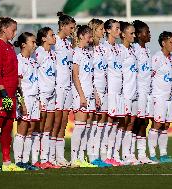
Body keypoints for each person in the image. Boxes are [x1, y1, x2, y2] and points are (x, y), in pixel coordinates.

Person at [0, 17, 25, 171]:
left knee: (8, 126)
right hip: (4, 94)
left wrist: (18, 94)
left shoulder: (9, 46)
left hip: (12, 93)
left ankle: (7, 162)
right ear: (4, 29)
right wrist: (2, 92)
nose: (14, 33)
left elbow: (14, 73)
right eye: (13, 30)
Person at [148, 31, 172, 163]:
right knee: (157, 124)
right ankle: (153, 154)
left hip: (169, 97)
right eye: (171, 42)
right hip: (158, 96)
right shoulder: (156, 58)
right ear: (163, 43)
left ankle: (164, 154)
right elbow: (149, 76)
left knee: (166, 125)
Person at [70, 25, 98, 168]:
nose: (91, 39)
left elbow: (91, 76)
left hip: (90, 94)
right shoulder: (76, 52)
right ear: (81, 36)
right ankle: (74, 159)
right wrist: (81, 95)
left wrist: (95, 94)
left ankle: (82, 157)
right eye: (89, 36)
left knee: (87, 127)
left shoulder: (88, 53)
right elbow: (75, 75)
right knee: (80, 126)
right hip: (80, 94)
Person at [12, 32, 40, 170]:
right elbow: (17, 85)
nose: (35, 45)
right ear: (24, 44)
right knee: (22, 129)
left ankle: (26, 160)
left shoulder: (33, 61)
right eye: (33, 42)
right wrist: (22, 102)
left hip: (35, 98)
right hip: (26, 98)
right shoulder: (18, 60)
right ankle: (18, 161)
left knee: (30, 130)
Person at [52, 12, 76, 167]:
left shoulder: (68, 43)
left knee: (63, 122)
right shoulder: (54, 41)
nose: (73, 31)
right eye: (71, 28)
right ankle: (50, 156)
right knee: (55, 121)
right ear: (63, 26)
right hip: (57, 87)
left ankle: (60, 157)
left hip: (68, 86)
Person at [34, 27, 60, 169]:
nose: (54, 37)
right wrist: (37, 96)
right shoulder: (38, 53)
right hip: (42, 94)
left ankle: (45, 159)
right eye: (51, 35)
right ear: (44, 38)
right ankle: (34, 159)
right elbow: (34, 73)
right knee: (39, 127)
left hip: (52, 94)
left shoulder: (53, 54)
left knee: (48, 127)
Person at [87, 18, 111, 167]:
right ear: (94, 30)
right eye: (101, 29)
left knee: (103, 123)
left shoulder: (103, 47)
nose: (103, 31)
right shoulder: (89, 49)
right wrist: (94, 91)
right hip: (94, 90)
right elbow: (89, 73)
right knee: (93, 123)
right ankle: (92, 155)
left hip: (105, 89)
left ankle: (102, 156)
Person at [132, 20, 157, 164]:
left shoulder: (147, 50)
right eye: (146, 32)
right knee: (137, 122)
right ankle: (130, 153)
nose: (149, 34)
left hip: (147, 91)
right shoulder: (134, 49)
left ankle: (142, 155)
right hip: (138, 91)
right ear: (139, 35)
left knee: (145, 122)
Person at [102, 19, 124, 166]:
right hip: (109, 91)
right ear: (108, 30)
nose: (118, 31)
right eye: (116, 28)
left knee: (116, 122)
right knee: (108, 122)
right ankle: (104, 155)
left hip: (119, 91)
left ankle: (113, 154)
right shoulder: (103, 48)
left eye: (119, 28)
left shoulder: (119, 48)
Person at [118, 21, 139, 165]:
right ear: (123, 34)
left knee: (131, 123)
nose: (134, 35)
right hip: (124, 92)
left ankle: (128, 154)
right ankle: (115, 154)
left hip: (134, 92)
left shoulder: (133, 50)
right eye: (131, 33)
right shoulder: (119, 50)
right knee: (122, 123)